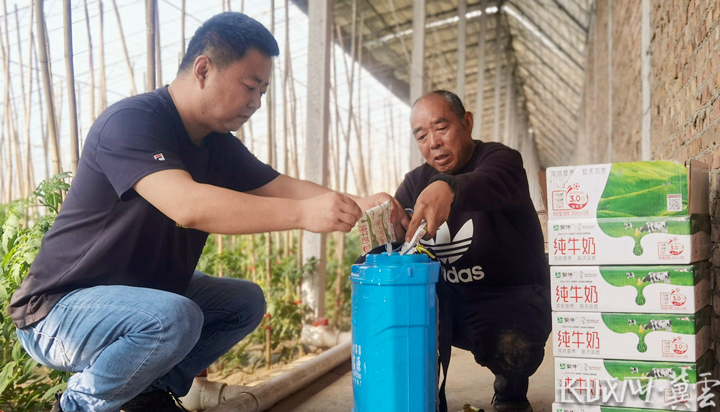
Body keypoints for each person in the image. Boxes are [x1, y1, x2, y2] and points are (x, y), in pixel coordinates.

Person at [9, 12, 389, 412]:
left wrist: (360, 205)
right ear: (204, 69)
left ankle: (148, 393)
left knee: (244, 303)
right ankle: (76, 406)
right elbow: (188, 206)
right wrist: (303, 216)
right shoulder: (131, 122)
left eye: (263, 91)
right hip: (59, 309)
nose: (256, 102)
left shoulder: (217, 144)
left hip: (140, 299)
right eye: (250, 86)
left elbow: (283, 186)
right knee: (174, 318)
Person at [393, 90, 551, 412]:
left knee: (513, 346)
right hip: (450, 301)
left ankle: (510, 392)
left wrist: (449, 186)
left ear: (467, 122)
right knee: (396, 302)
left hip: (509, 298)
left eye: (442, 128)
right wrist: (388, 225)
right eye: (421, 135)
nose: (433, 142)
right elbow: (399, 240)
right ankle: (420, 396)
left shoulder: (501, 161)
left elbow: (492, 181)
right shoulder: (415, 182)